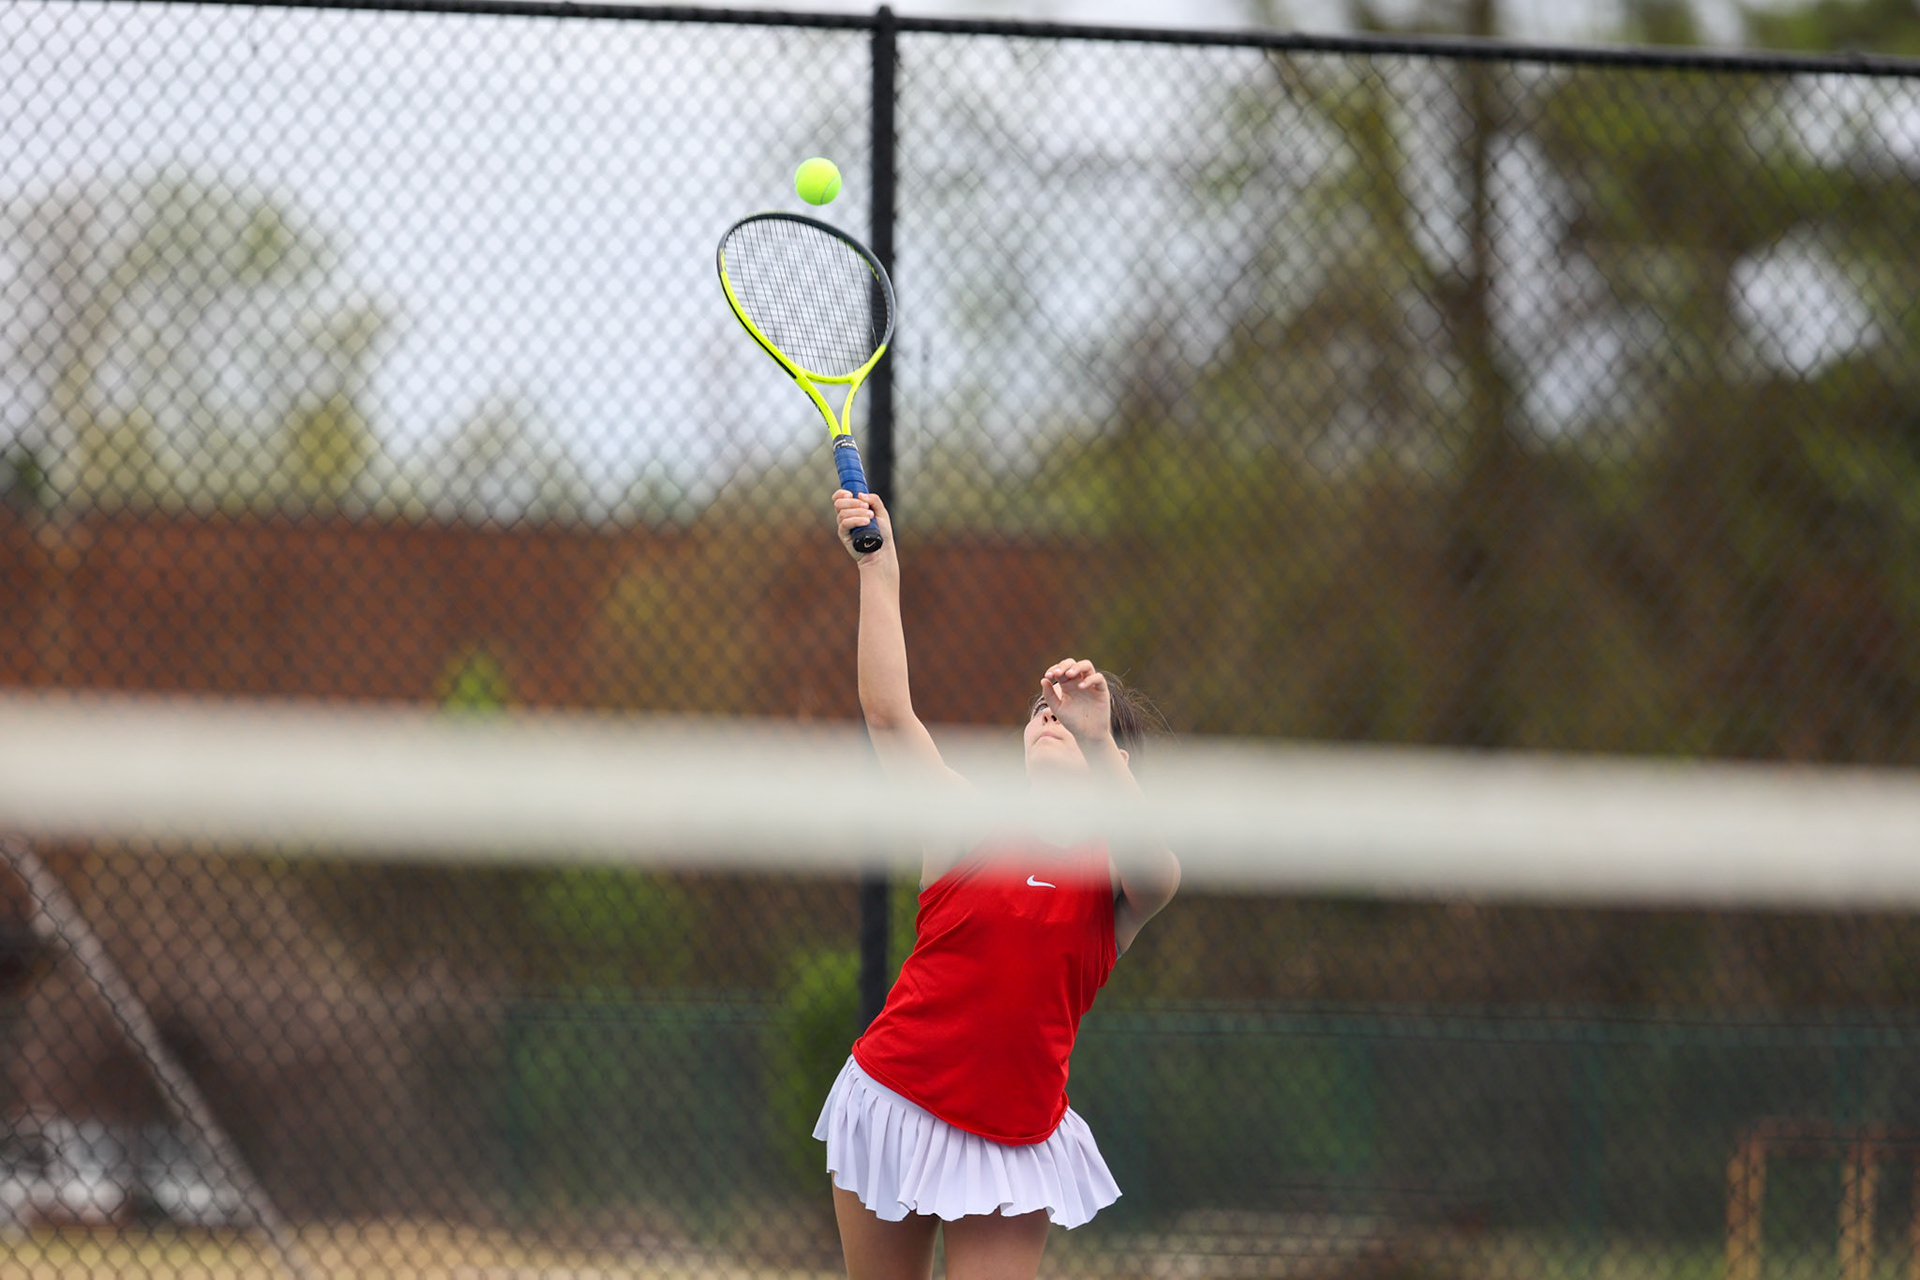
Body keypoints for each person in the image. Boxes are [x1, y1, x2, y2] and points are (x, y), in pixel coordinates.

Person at [813, 489, 1182, 1280]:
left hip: (1016, 1144)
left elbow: (1161, 871)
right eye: (1043, 711)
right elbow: (889, 716)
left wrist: (1098, 734)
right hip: (897, 1100)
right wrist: (879, 569)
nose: (1052, 715)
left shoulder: (1116, 878)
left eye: (1077, 718)